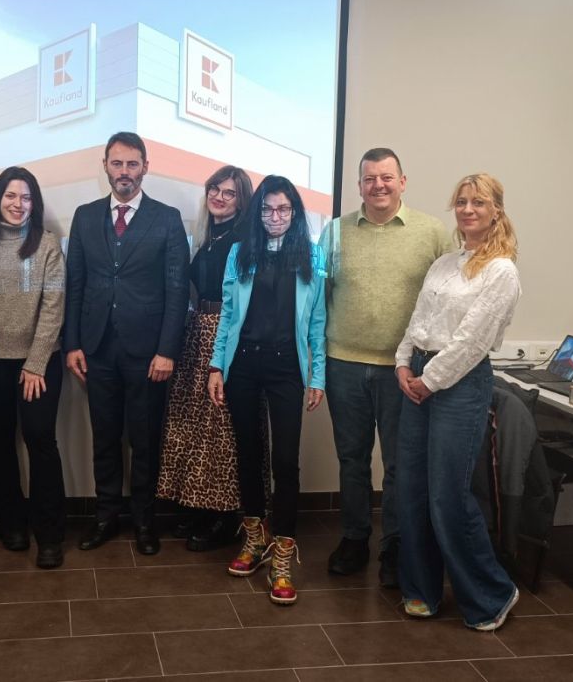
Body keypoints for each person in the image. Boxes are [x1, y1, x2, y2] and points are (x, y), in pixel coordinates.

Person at [317, 147, 451, 587]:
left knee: (399, 463)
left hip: (404, 370)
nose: (378, 185)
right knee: (352, 458)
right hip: (343, 364)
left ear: (403, 182)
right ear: (359, 185)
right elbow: (320, 299)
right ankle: (355, 538)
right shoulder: (334, 233)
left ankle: (394, 544)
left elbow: (450, 299)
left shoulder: (432, 233)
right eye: (370, 178)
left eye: (387, 177)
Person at [393, 172, 522, 630]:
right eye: (462, 201)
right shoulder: (444, 264)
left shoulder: (501, 271)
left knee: (447, 495)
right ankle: (421, 590)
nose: (468, 210)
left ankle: (492, 595)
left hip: (459, 384)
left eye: (478, 202)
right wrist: (403, 363)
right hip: (419, 375)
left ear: (496, 211)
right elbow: (418, 321)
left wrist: (430, 381)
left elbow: (472, 341)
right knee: (411, 489)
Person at [64, 132, 190, 556]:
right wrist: (72, 343)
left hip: (149, 354)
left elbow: (178, 291)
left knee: (144, 440)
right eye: (117, 163)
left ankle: (143, 521)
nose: (124, 172)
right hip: (96, 349)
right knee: (104, 438)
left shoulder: (167, 218)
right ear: (105, 165)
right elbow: (75, 284)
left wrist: (167, 350)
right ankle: (105, 516)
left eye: (132, 164)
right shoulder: (84, 217)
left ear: (145, 167)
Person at [208, 175, 326, 606]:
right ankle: (255, 538)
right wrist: (216, 365)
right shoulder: (240, 252)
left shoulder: (312, 256)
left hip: (286, 368)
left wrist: (317, 377)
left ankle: (283, 554)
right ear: (257, 212)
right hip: (243, 364)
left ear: (294, 213)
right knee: (248, 453)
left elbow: (317, 322)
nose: (275, 217)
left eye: (283, 209)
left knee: (285, 461)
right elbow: (227, 314)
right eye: (267, 209)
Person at [157, 165, 255, 552]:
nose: (219, 197)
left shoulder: (246, 239)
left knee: (221, 430)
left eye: (229, 193)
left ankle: (225, 518)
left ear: (242, 201)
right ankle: (199, 507)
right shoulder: (210, 236)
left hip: (226, 338)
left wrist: (224, 347)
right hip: (197, 333)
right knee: (196, 428)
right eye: (215, 188)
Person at [0, 167, 68, 569]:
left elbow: (53, 307)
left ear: (35, 203)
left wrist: (35, 363)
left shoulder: (48, 246)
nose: (18, 204)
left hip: (40, 363)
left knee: (40, 439)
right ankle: (10, 524)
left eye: (26, 197)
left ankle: (50, 534)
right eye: (11, 196)